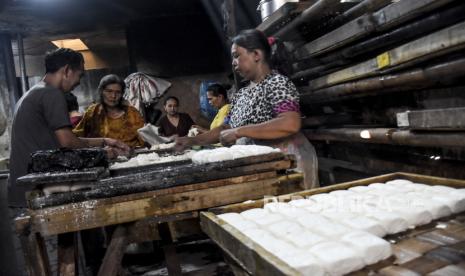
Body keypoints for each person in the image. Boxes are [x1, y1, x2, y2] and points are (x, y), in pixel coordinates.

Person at [176, 29, 318, 189]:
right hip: (259, 165)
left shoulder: (277, 83)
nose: (233, 62)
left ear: (256, 55)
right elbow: (226, 127)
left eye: (236, 55)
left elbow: (289, 123)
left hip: (286, 162)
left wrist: (239, 132)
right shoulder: (241, 93)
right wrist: (192, 141)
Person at [73, 74, 145, 148]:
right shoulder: (93, 111)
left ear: (122, 94)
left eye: (118, 92)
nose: (113, 96)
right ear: (101, 91)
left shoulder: (132, 113)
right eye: (109, 91)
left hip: (132, 156)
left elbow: (144, 137)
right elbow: (77, 134)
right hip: (104, 155)